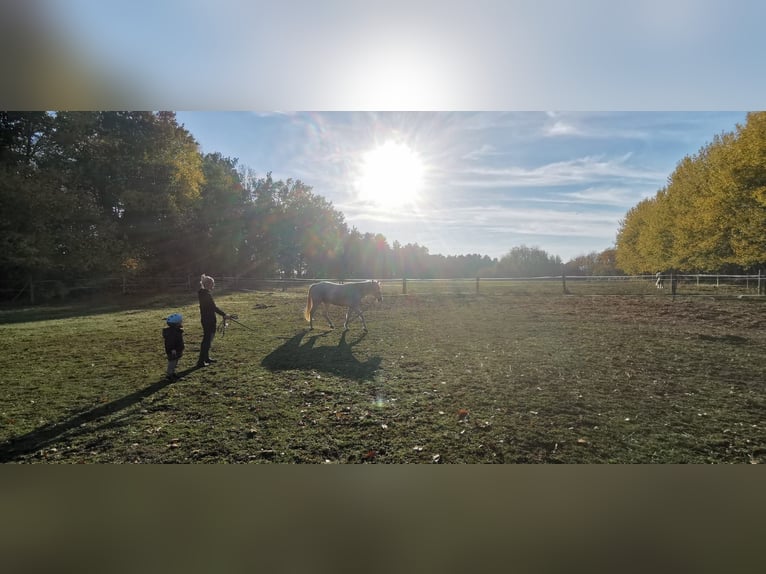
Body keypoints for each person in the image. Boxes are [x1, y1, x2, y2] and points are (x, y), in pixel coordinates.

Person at [197, 274, 229, 367]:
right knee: (207, 340)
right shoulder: (206, 295)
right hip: (209, 320)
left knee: (208, 340)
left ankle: (206, 358)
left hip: (207, 319)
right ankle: (200, 361)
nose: (214, 285)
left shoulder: (203, 293)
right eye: (213, 283)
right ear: (208, 284)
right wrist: (224, 314)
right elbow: (213, 307)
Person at [162, 313, 185, 380]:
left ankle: (172, 373)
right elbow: (170, 342)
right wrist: (172, 349)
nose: (181, 322)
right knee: (172, 363)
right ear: (176, 323)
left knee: (175, 362)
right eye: (180, 321)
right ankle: (169, 375)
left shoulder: (176, 330)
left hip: (177, 349)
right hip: (173, 350)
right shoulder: (172, 332)